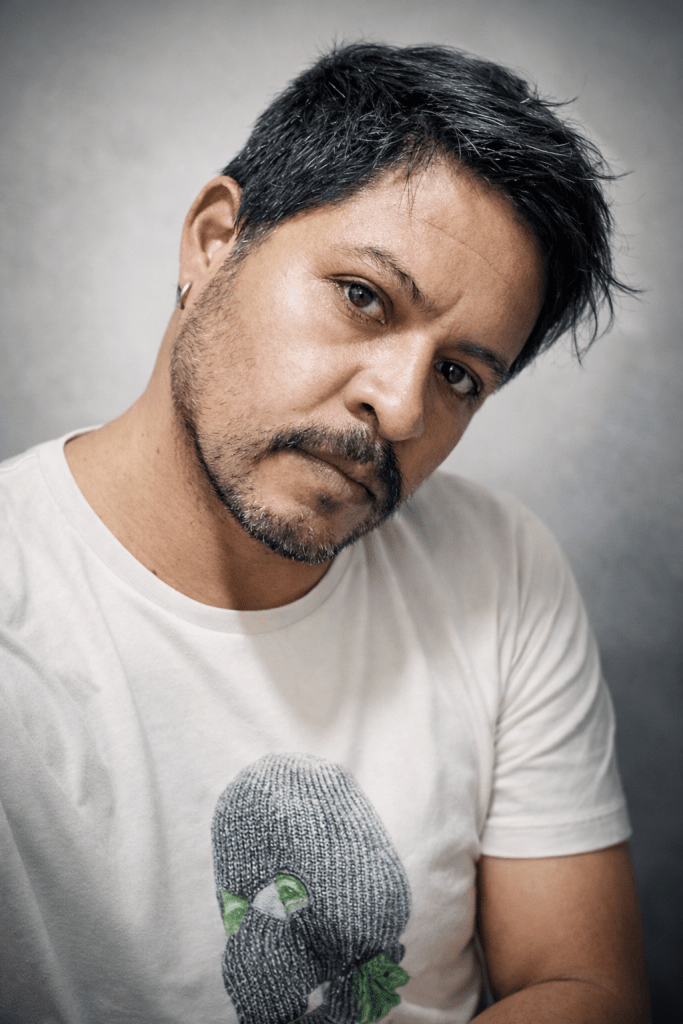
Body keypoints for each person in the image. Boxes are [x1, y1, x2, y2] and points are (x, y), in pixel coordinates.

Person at [0, 42, 649, 1024]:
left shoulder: (499, 567)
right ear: (214, 241)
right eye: (362, 296)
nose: (400, 407)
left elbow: (585, 986)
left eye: (459, 375)